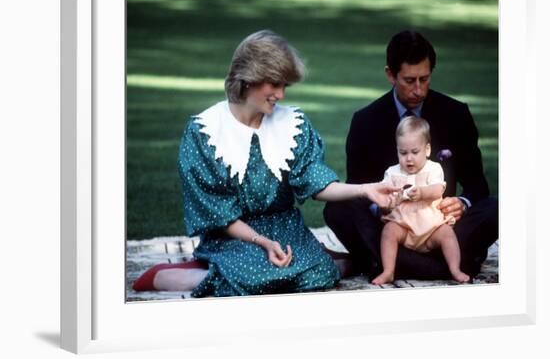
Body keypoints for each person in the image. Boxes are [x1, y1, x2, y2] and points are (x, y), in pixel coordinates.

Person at [133, 30, 396, 297]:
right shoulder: (206, 132)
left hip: (285, 227)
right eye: (274, 84)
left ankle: (309, 258)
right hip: (232, 234)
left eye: (285, 86)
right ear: (249, 79)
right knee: (256, 278)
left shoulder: (292, 125)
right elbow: (218, 214)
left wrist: (366, 189)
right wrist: (262, 242)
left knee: (321, 274)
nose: (281, 94)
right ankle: (191, 274)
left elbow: (315, 182)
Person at [323, 29, 498, 281]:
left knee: (495, 209)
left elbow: (477, 186)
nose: (418, 89)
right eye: (409, 80)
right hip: (392, 227)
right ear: (390, 75)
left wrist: (462, 203)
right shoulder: (365, 121)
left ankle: (381, 262)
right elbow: (358, 188)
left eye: (424, 79)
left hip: (441, 226)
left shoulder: (456, 114)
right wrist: (380, 208)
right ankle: (448, 265)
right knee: (337, 209)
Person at [371, 116, 469, 285]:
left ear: (427, 149)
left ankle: (455, 269)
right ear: (397, 150)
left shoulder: (433, 168)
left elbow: (438, 189)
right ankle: (388, 271)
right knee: (389, 231)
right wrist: (390, 201)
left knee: (447, 233)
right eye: (403, 153)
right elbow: (383, 194)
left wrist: (423, 192)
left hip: (431, 228)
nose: (409, 158)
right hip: (405, 227)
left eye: (415, 152)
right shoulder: (392, 172)